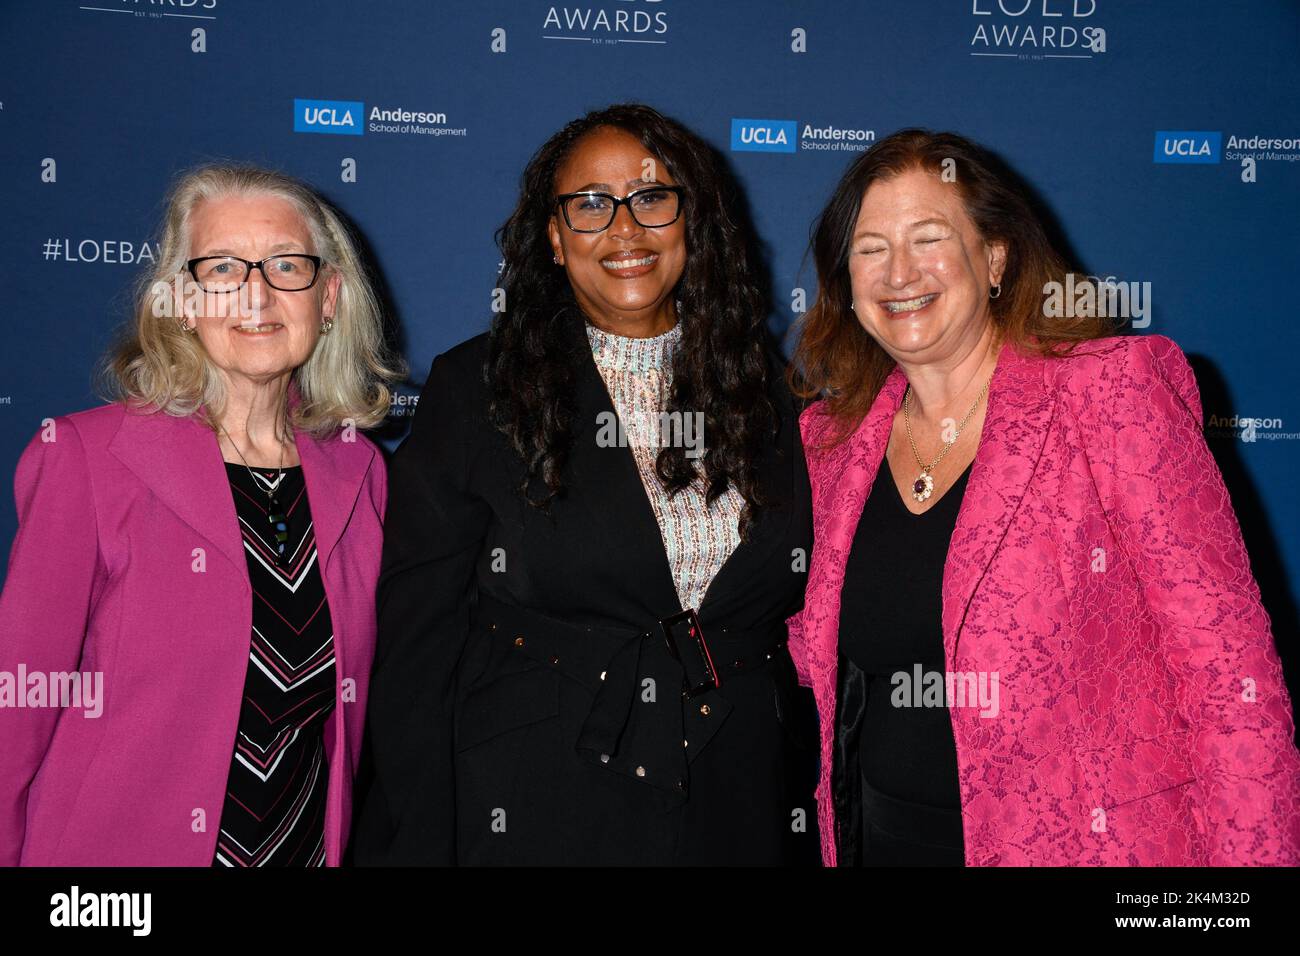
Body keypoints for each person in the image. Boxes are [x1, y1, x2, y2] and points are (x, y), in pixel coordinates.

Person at [787, 129, 1300, 866]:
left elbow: (1229, 675)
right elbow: (809, 647)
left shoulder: (1109, 392)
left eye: (928, 237)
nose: (899, 273)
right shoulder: (833, 442)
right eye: (870, 248)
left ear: (994, 257)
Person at [354, 103, 817, 865]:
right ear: (554, 237)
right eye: (591, 205)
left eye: (653, 198)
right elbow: (417, 648)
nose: (625, 229)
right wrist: (420, 835)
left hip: (738, 797)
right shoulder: (480, 388)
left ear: (692, 223)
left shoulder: (774, 391)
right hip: (539, 799)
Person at [0, 164, 401, 865]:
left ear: (329, 296)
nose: (257, 292)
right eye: (222, 268)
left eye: (286, 264)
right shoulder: (87, 461)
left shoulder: (359, 471)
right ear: (182, 300)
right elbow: (15, 715)